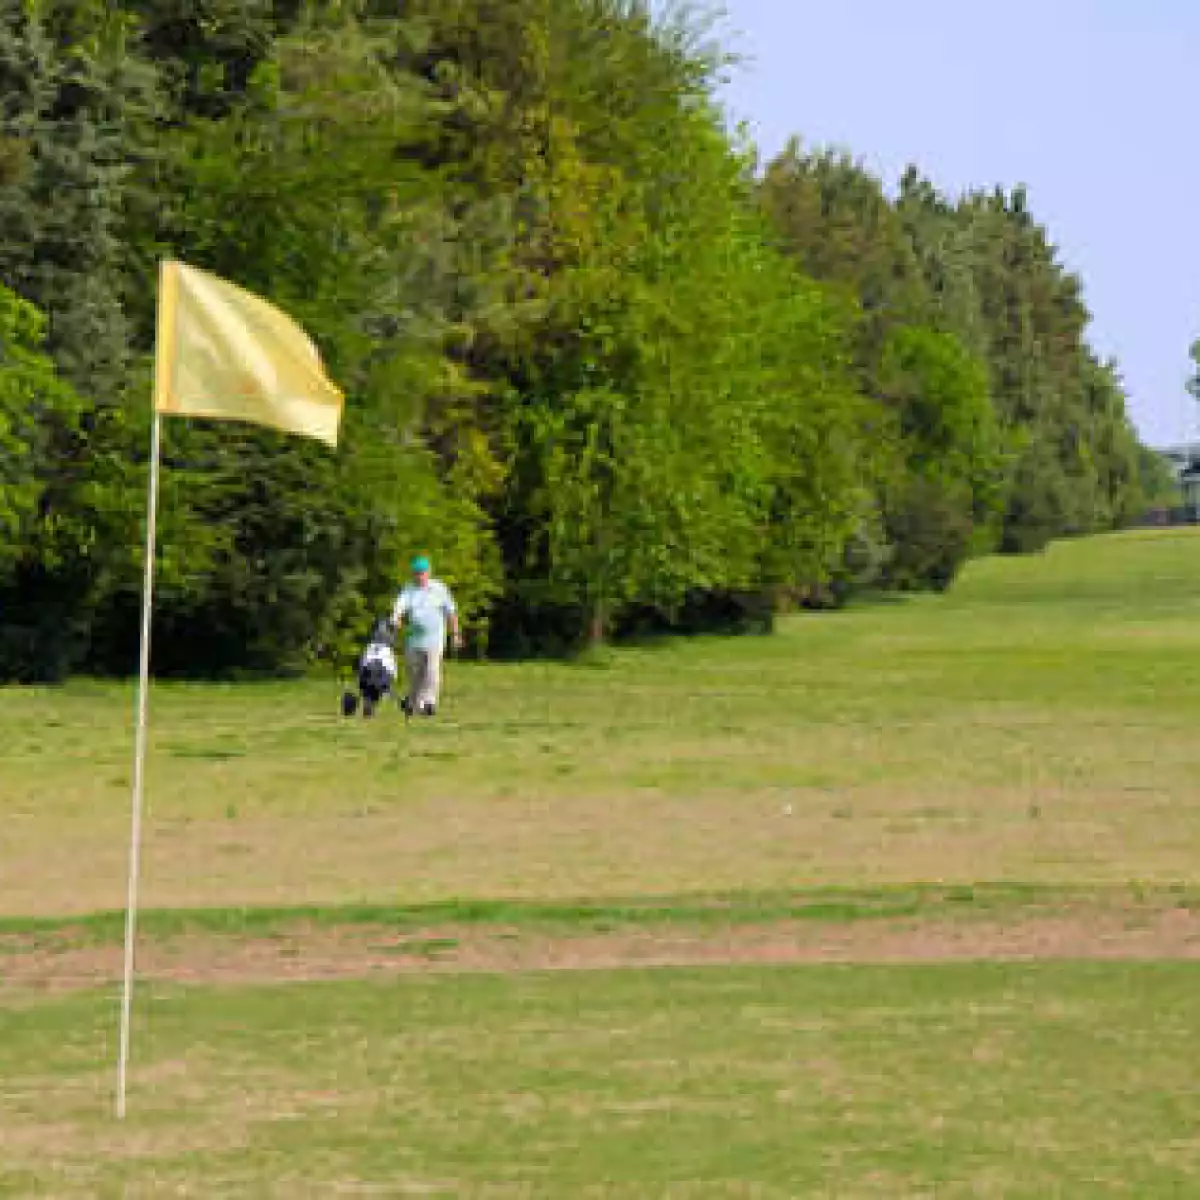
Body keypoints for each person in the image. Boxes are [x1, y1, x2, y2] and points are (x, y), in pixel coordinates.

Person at [392, 554, 462, 717]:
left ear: (429, 572)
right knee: (414, 673)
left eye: (422, 572)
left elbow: (451, 612)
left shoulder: (439, 589)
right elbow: (399, 608)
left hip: (434, 639)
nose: (420, 576)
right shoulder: (409, 590)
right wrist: (396, 619)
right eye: (417, 573)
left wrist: (455, 634)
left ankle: (429, 703)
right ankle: (413, 702)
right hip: (414, 640)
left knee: (432, 671)